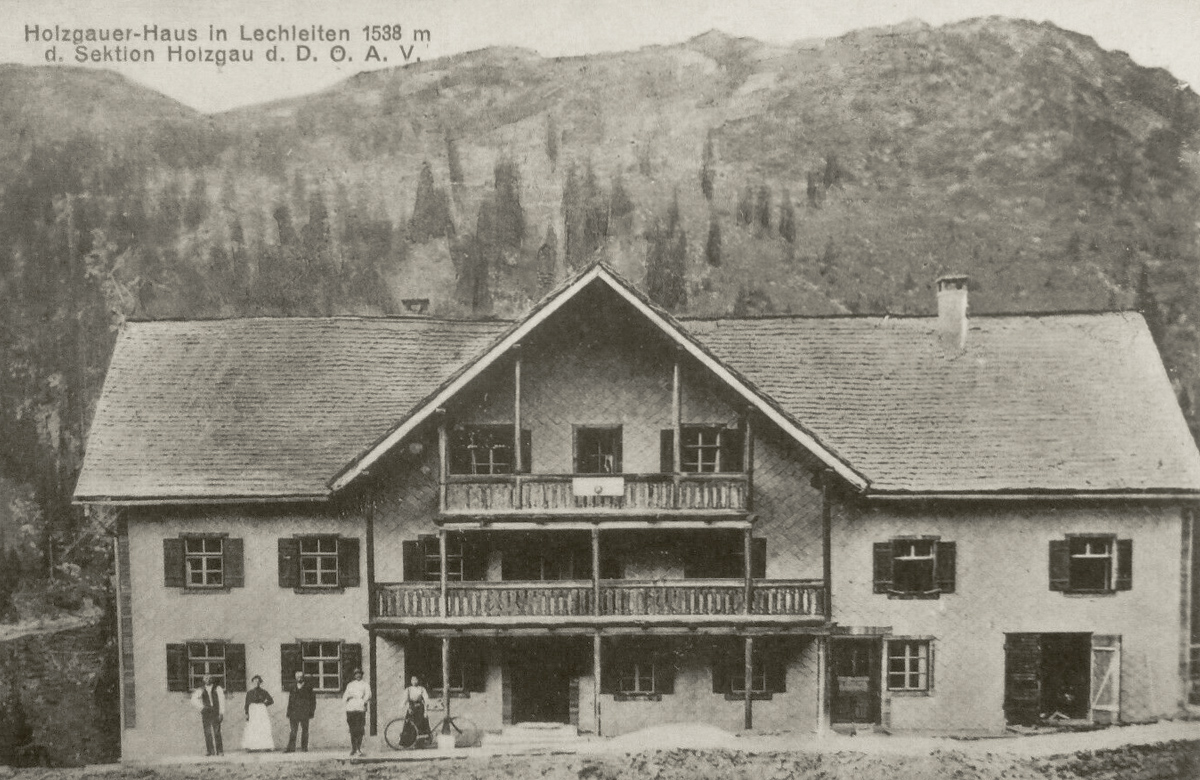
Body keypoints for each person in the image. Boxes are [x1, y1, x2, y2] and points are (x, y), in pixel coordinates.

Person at [189, 674, 225, 756]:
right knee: (207, 732)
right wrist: (201, 707)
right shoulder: (200, 689)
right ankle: (210, 751)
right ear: (203, 680)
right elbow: (193, 699)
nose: (208, 679)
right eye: (206, 678)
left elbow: (222, 700)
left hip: (215, 711)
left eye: (209, 678)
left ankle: (220, 751)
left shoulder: (218, 688)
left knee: (217, 731)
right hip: (206, 713)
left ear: (212, 679)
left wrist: (221, 713)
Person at [284, 670, 316, 752]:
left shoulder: (308, 687)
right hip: (294, 713)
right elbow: (290, 701)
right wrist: (289, 712)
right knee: (293, 731)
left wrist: (311, 712)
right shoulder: (292, 687)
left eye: (301, 677)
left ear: (303, 677)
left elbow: (313, 701)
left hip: (305, 712)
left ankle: (304, 747)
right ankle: (291, 748)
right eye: (297, 677)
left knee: (305, 730)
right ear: (295, 678)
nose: (299, 678)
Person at [241, 675, 275, 752]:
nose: (256, 683)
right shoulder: (249, 693)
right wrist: (247, 713)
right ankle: (251, 747)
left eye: (258, 681)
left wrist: (263, 705)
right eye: (254, 681)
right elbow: (246, 704)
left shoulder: (264, 692)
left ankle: (266, 746)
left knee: (263, 727)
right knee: (253, 727)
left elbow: (271, 700)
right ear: (252, 683)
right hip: (252, 710)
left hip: (261, 710)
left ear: (260, 682)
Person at [341, 668, 371, 756]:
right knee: (352, 729)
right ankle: (353, 748)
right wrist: (347, 699)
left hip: (360, 708)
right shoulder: (350, 685)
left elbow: (368, 695)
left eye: (359, 674)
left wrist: (363, 701)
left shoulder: (365, 685)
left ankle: (358, 748)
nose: (358, 675)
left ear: (362, 675)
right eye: (356, 674)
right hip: (350, 708)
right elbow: (345, 696)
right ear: (354, 675)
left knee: (360, 728)